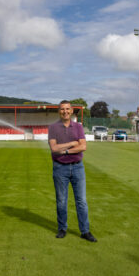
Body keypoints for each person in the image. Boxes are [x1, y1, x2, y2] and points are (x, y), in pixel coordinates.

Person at [48, 100, 97, 242]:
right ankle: (62, 229)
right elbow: (54, 149)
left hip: (77, 167)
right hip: (60, 168)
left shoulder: (78, 127)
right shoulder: (53, 128)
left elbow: (83, 147)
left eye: (67, 109)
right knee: (61, 201)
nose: (65, 111)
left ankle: (85, 231)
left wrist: (65, 150)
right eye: (62, 109)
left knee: (81, 201)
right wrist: (72, 144)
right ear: (59, 111)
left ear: (71, 110)